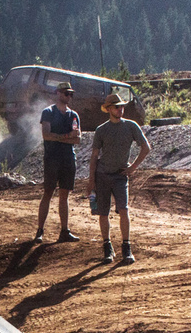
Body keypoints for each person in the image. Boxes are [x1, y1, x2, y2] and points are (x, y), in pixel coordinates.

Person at [87, 91, 150, 264]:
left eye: (121, 106)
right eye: (116, 107)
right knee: (103, 212)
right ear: (108, 109)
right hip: (102, 175)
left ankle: (126, 247)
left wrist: (133, 167)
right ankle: (107, 247)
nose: (120, 109)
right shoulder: (101, 130)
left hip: (120, 176)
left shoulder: (131, 126)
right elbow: (94, 156)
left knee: (124, 209)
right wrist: (91, 180)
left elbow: (146, 147)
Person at [34, 81, 81, 243]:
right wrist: (67, 136)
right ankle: (40, 230)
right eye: (66, 93)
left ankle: (64, 230)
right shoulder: (48, 112)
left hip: (67, 158)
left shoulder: (73, 115)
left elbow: (78, 139)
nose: (69, 96)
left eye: (70, 94)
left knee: (64, 194)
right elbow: (46, 135)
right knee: (48, 192)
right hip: (52, 158)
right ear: (58, 93)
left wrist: (61, 138)